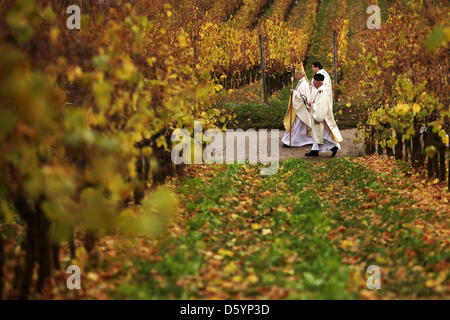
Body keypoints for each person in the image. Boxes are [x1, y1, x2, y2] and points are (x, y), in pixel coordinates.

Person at [305, 73, 343, 157]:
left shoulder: (322, 92)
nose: (313, 83)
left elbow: (320, 106)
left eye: (314, 81)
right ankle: (314, 151)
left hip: (321, 116)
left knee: (323, 135)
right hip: (320, 114)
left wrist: (312, 105)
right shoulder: (319, 90)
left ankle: (333, 147)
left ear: (318, 81)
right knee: (319, 134)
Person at [282, 63, 314, 148]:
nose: (295, 75)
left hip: (301, 109)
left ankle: (292, 142)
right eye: (295, 74)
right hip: (299, 109)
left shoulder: (304, 84)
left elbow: (304, 98)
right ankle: (292, 141)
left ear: (301, 74)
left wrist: (294, 92)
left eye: (296, 74)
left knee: (297, 126)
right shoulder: (301, 82)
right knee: (297, 126)